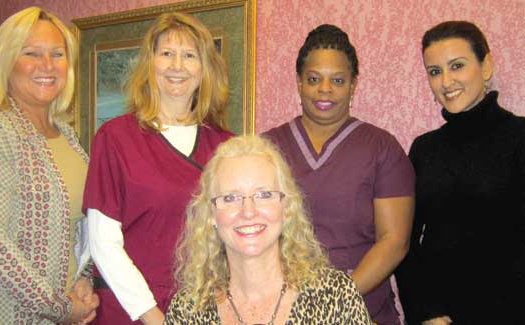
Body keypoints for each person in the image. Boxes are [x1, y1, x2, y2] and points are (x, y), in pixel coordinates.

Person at [0, 7, 99, 324]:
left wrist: (84, 279)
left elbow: (81, 229)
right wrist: (59, 308)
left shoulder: (69, 138)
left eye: (57, 54)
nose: (47, 66)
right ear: (6, 61)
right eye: (31, 53)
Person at [82, 12, 232, 324]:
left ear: (205, 69)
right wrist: (152, 315)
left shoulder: (226, 147)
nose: (177, 66)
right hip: (130, 307)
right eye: (166, 54)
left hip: (203, 307)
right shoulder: (115, 138)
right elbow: (102, 241)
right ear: (150, 64)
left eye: (189, 55)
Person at [263, 24, 415, 324]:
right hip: (282, 310)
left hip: (363, 310)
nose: (325, 90)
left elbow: (394, 241)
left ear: (353, 84)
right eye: (314, 79)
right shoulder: (266, 147)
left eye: (338, 80)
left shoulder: (381, 147)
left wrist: (335, 301)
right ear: (299, 82)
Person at [394, 21, 525, 325]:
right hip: (437, 318)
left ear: (486, 65)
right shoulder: (424, 149)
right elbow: (405, 241)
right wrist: (423, 311)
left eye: (457, 66)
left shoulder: (520, 138)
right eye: (435, 71)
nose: (446, 81)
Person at [164, 135, 372, 324]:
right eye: (231, 198)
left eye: (264, 195)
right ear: (211, 214)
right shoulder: (187, 310)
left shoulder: (336, 297)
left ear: (286, 207)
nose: (248, 211)